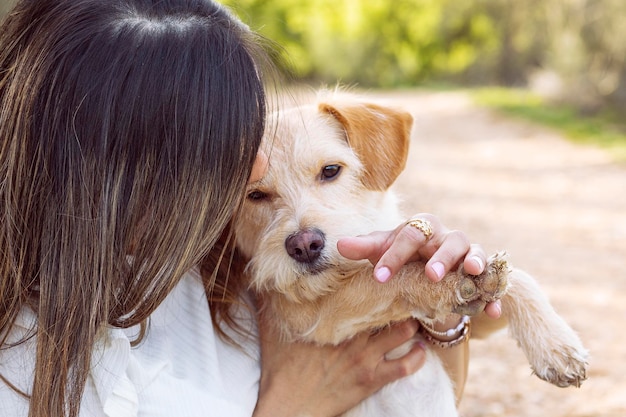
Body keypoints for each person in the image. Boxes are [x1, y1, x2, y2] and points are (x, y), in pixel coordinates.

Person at [0, 1, 499, 417]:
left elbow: (421, 393)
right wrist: (291, 407)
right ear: (113, 168)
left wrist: (441, 313)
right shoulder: (25, 365)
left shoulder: (226, 260)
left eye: (252, 119)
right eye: (221, 139)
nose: (259, 162)